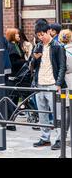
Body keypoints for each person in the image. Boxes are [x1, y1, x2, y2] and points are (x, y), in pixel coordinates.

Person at [31, 22, 66, 150]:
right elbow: (32, 66)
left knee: (57, 113)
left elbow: (62, 66)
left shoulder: (58, 46)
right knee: (42, 113)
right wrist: (34, 58)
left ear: (49, 32)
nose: (41, 37)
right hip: (40, 83)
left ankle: (59, 139)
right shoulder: (38, 46)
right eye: (38, 35)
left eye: (43, 34)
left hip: (53, 84)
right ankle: (45, 138)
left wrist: (58, 83)